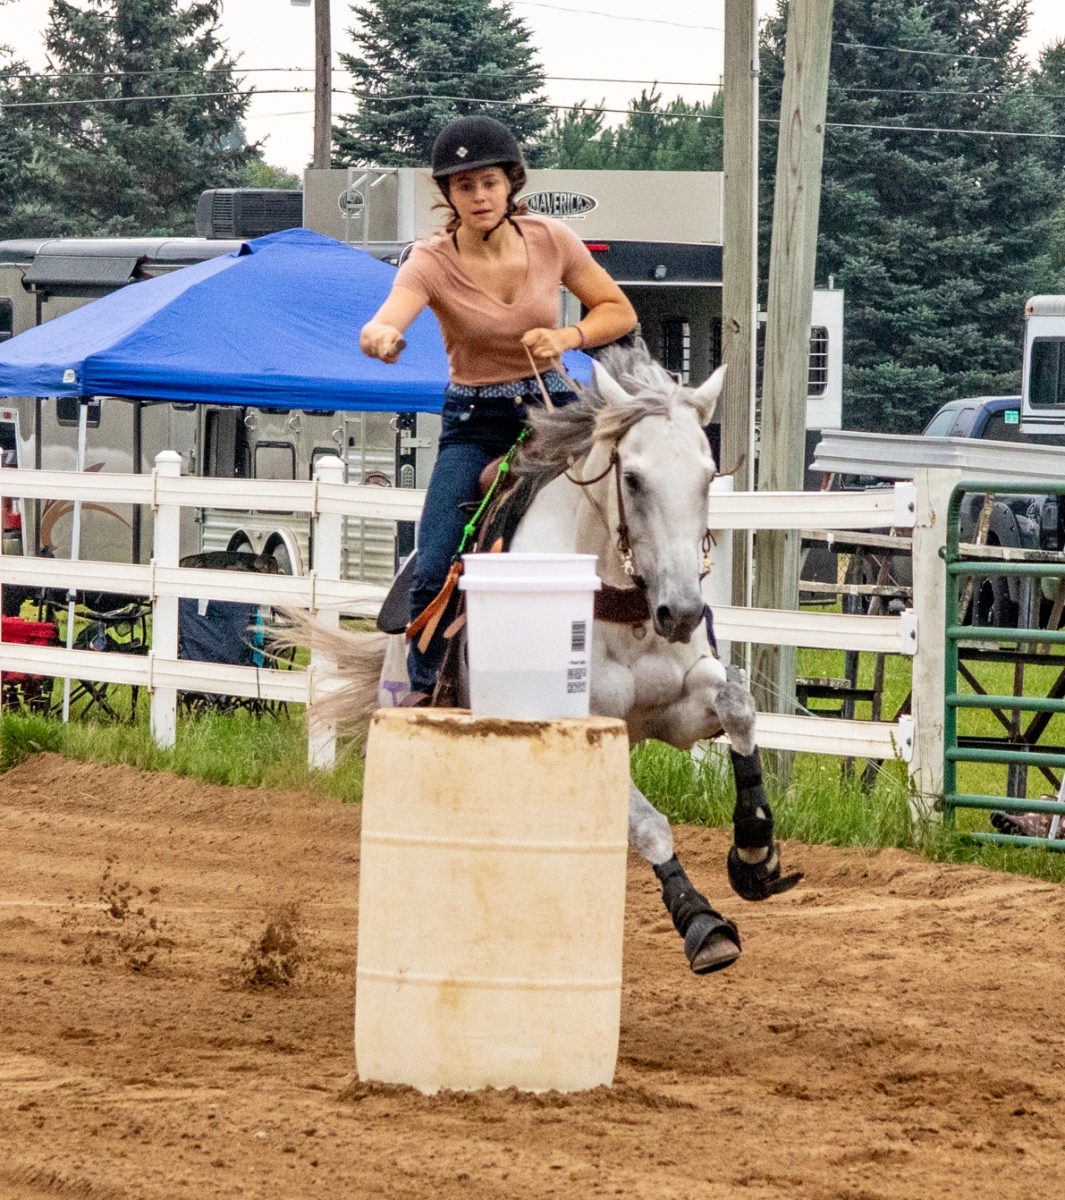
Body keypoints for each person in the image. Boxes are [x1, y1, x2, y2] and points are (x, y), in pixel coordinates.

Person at [360, 115, 637, 703]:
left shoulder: (553, 239)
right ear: (448, 194)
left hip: (555, 410)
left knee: (633, 496)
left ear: (511, 183)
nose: (479, 196)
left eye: (489, 182)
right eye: (464, 186)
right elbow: (387, 317)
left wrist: (568, 337)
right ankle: (425, 691)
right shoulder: (429, 260)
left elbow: (618, 311)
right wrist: (381, 336)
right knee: (435, 558)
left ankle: (663, 632)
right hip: (475, 422)